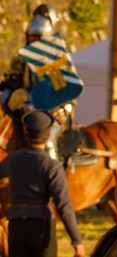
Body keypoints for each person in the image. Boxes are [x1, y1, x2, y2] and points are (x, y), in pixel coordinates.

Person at [0, 109, 84, 257]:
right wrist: (76, 241)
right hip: (41, 226)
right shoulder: (52, 166)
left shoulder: (11, 159)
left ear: (25, 133)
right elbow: (64, 206)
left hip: (16, 226)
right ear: (49, 134)